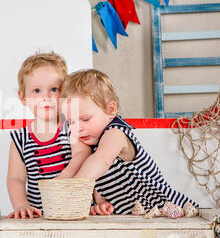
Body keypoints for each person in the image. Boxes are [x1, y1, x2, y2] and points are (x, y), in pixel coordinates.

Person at [60, 69, 199, 215]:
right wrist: (101, 205)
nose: (77, 128)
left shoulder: (116, 133)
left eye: (85, 119)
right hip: (137, 221)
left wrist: (73, 187)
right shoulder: (92, 151)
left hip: (168, 211)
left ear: (111, 110)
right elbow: (99, 188)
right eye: (71, 122)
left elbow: (102, 160)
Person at [7, 52, 91, 219]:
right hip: (40, 215)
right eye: (37, 90)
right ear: (23, 97)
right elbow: (15, 178)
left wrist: (63, 178)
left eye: (54, 89)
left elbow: (83, 154)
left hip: (77, 211)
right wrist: (21, 204)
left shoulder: (71, 126)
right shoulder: (20, 138)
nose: (46, 97)